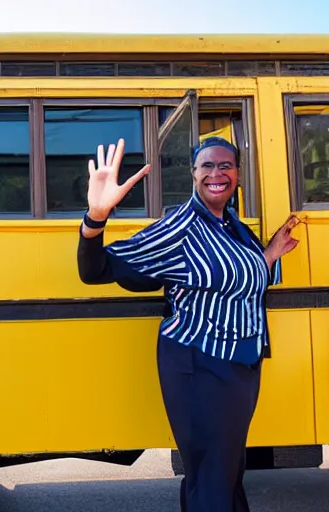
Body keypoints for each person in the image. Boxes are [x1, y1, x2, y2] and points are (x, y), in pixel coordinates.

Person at [77, 137, 299, 512]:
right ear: (194, 174)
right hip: (200, 366)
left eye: (226, 165)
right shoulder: (180, 228)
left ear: (238, 174)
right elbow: (94, 270)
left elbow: (233, 280)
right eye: (207, 166)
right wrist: (96, 216)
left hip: (239, 367)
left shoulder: (232, 225)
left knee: (227, 471)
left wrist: (269, 254)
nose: (217, 173)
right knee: (211, 475)